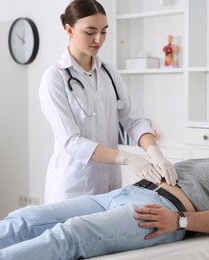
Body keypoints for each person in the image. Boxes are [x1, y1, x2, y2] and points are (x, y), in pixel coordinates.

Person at [0, 121, 209, 260]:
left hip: (157, 214)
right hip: (121, 195)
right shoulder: (208, 158)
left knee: (69, 235)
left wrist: (179, 221)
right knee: (29, 216)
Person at [38, 0, 177, 204]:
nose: (98, 39)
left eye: (104, 32)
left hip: (109, 188)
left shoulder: (109, 73)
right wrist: (126, 157)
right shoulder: (54, 78)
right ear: (69, 29)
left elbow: (134, 120)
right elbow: (72, 142)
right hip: (72, 189)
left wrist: (154, 152)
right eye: (90, 32)